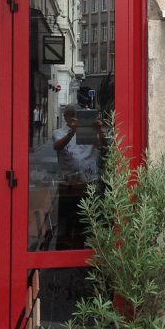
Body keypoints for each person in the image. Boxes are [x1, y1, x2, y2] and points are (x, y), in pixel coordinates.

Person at [52, 104, 107, 247]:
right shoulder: (59, 132)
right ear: (65, 117)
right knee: (67, 220)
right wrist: (72, 132)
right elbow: (58, 145)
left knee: (89, 220)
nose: (73, 118)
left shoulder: (88, 131)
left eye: (75, 115)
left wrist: (99, 129)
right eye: (69, 115)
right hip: (69, 185)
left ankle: (89, 249)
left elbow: (105, 147)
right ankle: (64, 250)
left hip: (90, 183)